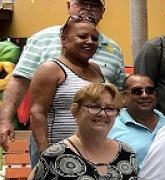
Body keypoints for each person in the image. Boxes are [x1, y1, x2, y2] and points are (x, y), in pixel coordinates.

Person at [0, 0, 125, 151]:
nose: (88, 9)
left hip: (98, 143)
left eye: (94, 5)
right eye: (82, 3)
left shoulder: (114, 49)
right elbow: (20, 81)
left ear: (103, 12)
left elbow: (118, 96)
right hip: (49, 141)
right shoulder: (41, 39)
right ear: (69, 6)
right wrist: (5, 120)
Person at [26, 17, 106, 153]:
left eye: (95, 38)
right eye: (82, 36)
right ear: (64, 40)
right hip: (60, 153)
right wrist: (46, 153)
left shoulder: (96, 69)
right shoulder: (51, 69)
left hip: (95, 152)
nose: (90, 41)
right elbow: (37, 112)